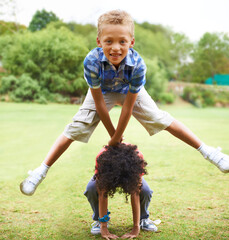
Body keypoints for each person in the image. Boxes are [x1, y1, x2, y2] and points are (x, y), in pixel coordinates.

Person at [20, 9, 229, 196]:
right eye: (108, 41)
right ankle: (41, 170)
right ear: (98, 41)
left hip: (129, 91)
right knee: (77, 125)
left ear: (132, 42)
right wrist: (115, 138)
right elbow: (100, 104)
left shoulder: (138, 65)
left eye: (122, 41)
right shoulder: (91, 62)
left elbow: (128, 107)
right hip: (102, 92)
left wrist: (116, 138)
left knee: (158, 117)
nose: (115, 48)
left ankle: (209, 152)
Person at [84, 143, 159, 236]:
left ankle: (143, 219)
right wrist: (104, 228)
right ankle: (99, 220)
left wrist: (135, 229)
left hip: (130, 173)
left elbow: (135, 192)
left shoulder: (136, 158)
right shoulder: (103, 158)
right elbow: (103, 192)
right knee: (91, 189)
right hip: (108, 173)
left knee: (145, 191)